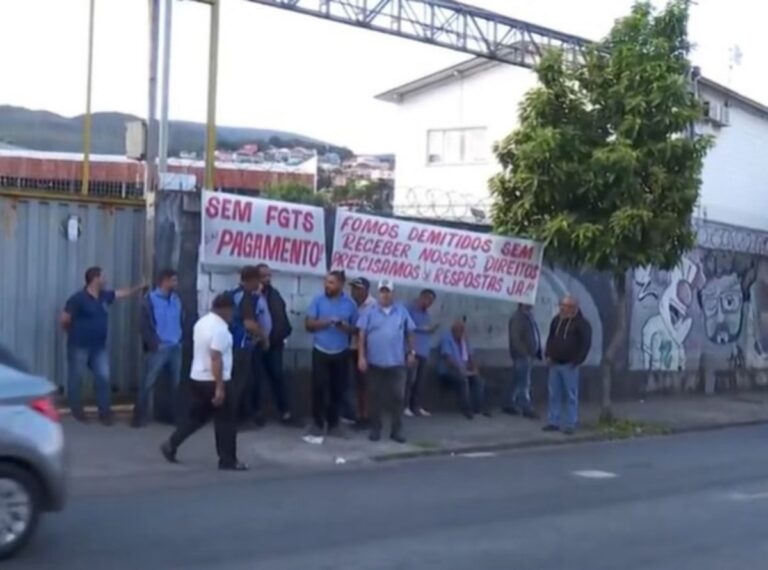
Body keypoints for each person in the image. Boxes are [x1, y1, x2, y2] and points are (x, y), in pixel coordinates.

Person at [160, 293, 248, 471]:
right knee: (226, 421)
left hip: (197, 378)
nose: (233, 315)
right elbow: (216, 357)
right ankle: (228, 460)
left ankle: (171, 443)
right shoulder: (221, 330)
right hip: (214, 380)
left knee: (197, 417)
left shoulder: (201, 323)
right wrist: (220, 388)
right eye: (232, 311)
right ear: (225, 309)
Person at [60, 266, 143, 425]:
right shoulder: (78, 299)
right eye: (103, 277)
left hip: (98, 347)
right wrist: (72, 333)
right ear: (95, 279)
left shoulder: (104, 296)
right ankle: (77, 411)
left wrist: (138, 288)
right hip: (79, 346)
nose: (106, 280)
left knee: (103, 378)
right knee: (76, 378)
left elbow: (120, 293)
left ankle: (104, 412)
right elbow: (64, 319)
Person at [357, 280, 416, 443]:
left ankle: (396, 431)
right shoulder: (369, 311)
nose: (385, 294)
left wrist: (411, 352)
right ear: (378, 293)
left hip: (397, 363)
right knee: (374, 397)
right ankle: (376, 429)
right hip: (374, 363)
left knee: (398, 397)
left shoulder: (401, 311)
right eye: (382, 291)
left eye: (388, 291)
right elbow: (361, 335)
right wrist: (361, 357)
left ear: (393, 293)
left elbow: (410, 332)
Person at [305, 270, 358, 437]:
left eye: (331, 283)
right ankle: (318, 423)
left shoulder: (350, 304)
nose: (327, 285)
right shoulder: (318, 300)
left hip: (341, 351)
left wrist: (344, 327)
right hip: (321, 350)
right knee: (319, 388)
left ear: (341, 284)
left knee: (338, 389)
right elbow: (308, 324)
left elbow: (356, 329)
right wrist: (326, 322)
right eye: (326, 282)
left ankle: (334, 423)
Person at [133, 268, 184, 427]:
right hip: (159, 347)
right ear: (165, 281)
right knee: (148, 382)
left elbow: (182, 318)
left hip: (175, 346)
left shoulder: (176, 299)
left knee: (176, 384)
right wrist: (154, 344)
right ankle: (139, 417)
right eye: (173, 280)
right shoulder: (150, 300)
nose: (176, 283)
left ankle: (173, 417)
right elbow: (144, 325)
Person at [542, 295, 592, 435]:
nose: (563, 309)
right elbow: (551, 339)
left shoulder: (582, 324)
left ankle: (571, 422)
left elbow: (585, 344)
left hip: (570, 365)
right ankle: (553, 421)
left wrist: (577, 361)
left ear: (574, 308)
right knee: (554, 394)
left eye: (566, 306)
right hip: (554, 363)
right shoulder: (556, 321)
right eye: (562, 305)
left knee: (571, 395)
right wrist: (548, 354)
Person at [229, 266, 271, 426]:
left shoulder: (235, 294)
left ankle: (238, 417)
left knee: (243, 382)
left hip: (238, 344)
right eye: (258, 280)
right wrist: (264, 337)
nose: (259, 283)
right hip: (240, 344)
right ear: (252, 280)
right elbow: (249, 323)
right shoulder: (244, 297)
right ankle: (235, 420)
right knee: (240, 383)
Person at [253, 263, 294, 425]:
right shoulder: (251, 296)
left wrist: (283, 334)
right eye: (263, 276)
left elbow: (281, 317)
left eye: (269, 276)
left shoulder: (274, 294)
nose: (267, 279)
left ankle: (285, 411)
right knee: (256, 380)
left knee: (277, 376)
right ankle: (257, 413)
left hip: (275, 344)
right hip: (256, 345)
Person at [437, 319, 490, 420]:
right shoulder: (446, 338)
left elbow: (470, 356)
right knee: (462, 379)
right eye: (460, 331)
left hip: (464, 369)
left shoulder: (464, 339)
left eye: (463, 331)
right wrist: (461, 369)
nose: (461, 333)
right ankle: (467, 409)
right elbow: (448, 359)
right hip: (448, 370)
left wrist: (474, 368)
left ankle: (478, 408)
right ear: (454, 331)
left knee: (479, 381)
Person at [346, 277, 376, 427]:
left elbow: (366, 330)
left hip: (367, 350)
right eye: (353, 288)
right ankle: (359, 414)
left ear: (365, 290)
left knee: (365, 384)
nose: (354, 292)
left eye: (357, 289)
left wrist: (348, 329)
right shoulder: (353, 305)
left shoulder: (372, 306)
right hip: (352, 347)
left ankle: (366, 415)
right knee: (357, 383)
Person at [504, 303, 542, 419]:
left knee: (518, 381)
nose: (532, 303)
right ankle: (526, 407)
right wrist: (525, 352)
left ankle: (509, 403)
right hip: (522, 355)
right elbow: (516, 339)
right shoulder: (517, 318)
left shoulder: (528, 316)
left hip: (528, 355)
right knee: (524, 383)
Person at [405, 289, 438, 417]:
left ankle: (416, 406)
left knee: (420, 381)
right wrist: (424, 329)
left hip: (424, 350)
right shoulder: (409, 309)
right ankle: (405, 405)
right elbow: (407, 327)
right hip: (412, 349)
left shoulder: (427, 315)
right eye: (428, 299)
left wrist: (431, 329)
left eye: (431, 301)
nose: (429, 303)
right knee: (409, 379)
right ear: (422, 297)